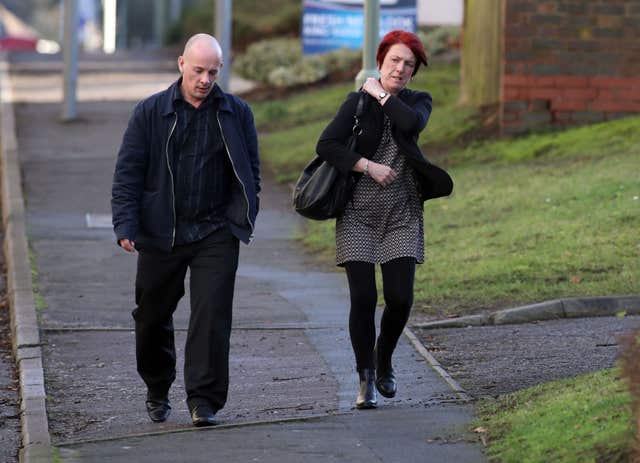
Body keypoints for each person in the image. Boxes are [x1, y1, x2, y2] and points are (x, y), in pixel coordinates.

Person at [111, 33, 260, 426]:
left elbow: (250, 174)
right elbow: (127, 174)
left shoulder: (237, 113)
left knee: (211, 314)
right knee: (151, 314)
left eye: (213, 72)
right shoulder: (150, 112)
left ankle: (204, 400)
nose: (205, 79)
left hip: (216, 232)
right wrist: (125, 223)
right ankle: (158, 386)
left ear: (221, 70)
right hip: (161, 232)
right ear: (181, 64)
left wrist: (240, 218)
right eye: (198, 70)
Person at [315, 30, 453, 409]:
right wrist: (366, 166)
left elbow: (410, 125)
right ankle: (366, 377)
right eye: (394, 60)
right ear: (381, 61)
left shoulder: (418, 101)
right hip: (357, 212)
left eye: (408, 64)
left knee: (400, 298)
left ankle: (384, 356)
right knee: (363, 297)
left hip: (401, 212)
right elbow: (325, 145)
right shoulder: (354, 104)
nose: (400, 68)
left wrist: (379, 93)